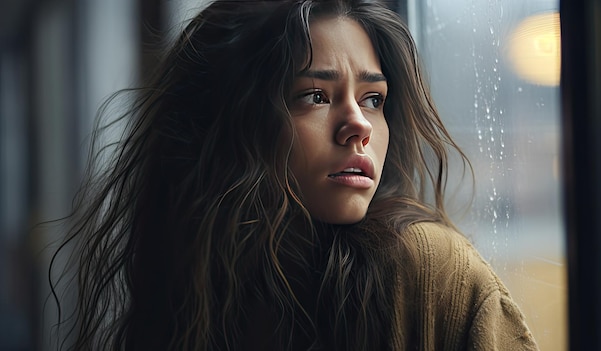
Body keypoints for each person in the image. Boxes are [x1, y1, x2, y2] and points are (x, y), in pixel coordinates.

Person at [51, 0, 539, 350]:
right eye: (315, 96)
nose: (358, 127)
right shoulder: (199, 292)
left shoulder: (423, 269)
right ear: (236, 123)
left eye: (374, 99)